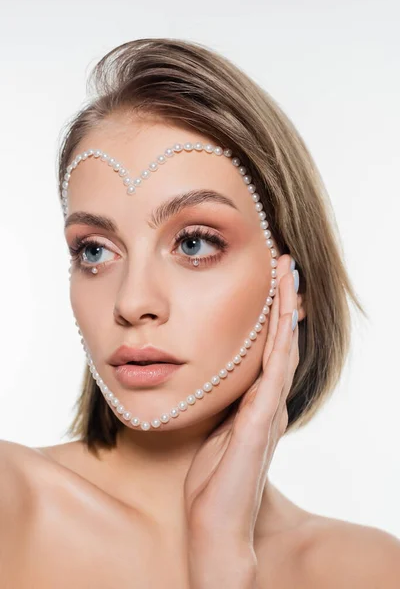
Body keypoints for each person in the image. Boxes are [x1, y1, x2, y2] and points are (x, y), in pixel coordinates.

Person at [1, 38, 399, 588]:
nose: (132, 302)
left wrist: (221, 555)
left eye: (194, 243)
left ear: (294, 280)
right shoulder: (12, 504)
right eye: (94, 250)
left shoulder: (367, 570)